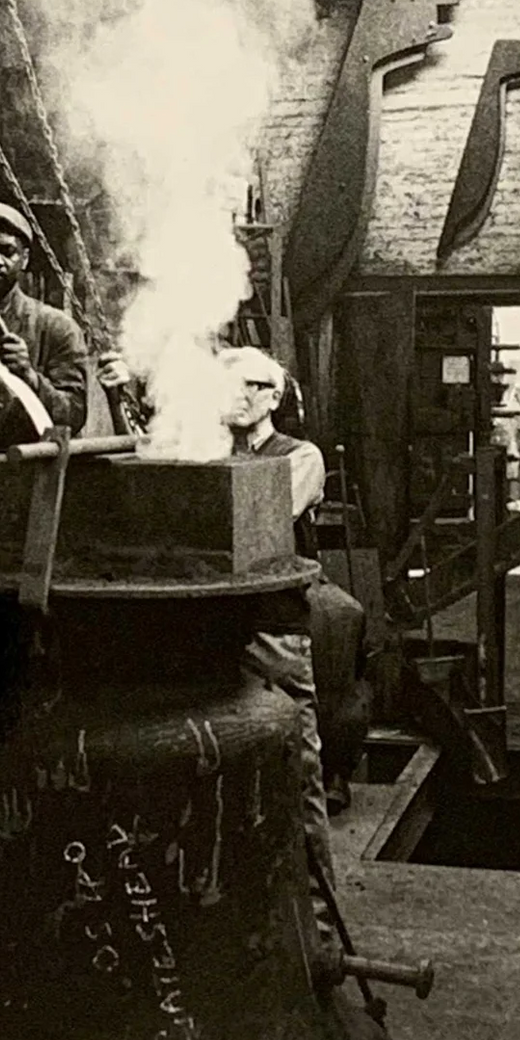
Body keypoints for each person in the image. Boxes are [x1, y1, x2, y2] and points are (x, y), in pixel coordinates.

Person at [220, 346, 340, 893]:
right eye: (225, 384)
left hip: (274, 634)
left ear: (273, 396)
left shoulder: (301, 456)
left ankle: (315, 914)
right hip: (216, 631)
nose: (237, 395)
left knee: (295, 772)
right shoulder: (210, 449)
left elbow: (259, 521)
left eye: (250, 385)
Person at [0, 201, 89, 436]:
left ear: (24, 259)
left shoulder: (57, 328)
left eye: (8, 252)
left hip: (23, 465)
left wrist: (29, 377)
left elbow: (74, 415)